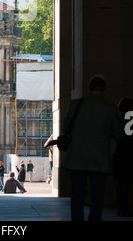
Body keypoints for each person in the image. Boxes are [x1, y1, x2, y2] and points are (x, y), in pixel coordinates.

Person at [62, 75, 123, 221]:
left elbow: (66, 127)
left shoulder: (76, 104)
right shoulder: (110, 109)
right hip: (99, 160)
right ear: (104, 90)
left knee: (77, 195)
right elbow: (119, 135)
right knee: (97, 198)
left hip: (77, 158)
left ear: (89, 89)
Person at [112, 97, 133, 217]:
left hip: (120, 153)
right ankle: (124, 208)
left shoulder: (119, 118)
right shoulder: (130, 117)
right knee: (126, 183)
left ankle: (121, 207)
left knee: (121, 183)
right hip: (128, 153)